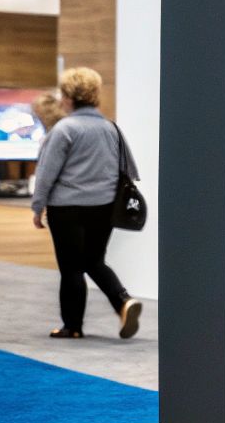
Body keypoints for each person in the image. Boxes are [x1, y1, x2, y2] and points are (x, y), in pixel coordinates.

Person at [31, 68, 143, 340]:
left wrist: (38, 206)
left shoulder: (65, 129)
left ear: (68, 98)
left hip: (67, 207)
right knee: (94, 260)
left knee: (70, 267)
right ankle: (123, 301)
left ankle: (73, 327)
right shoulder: (110, 128)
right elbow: (129, 169)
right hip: (104, 206)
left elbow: (47, 172)